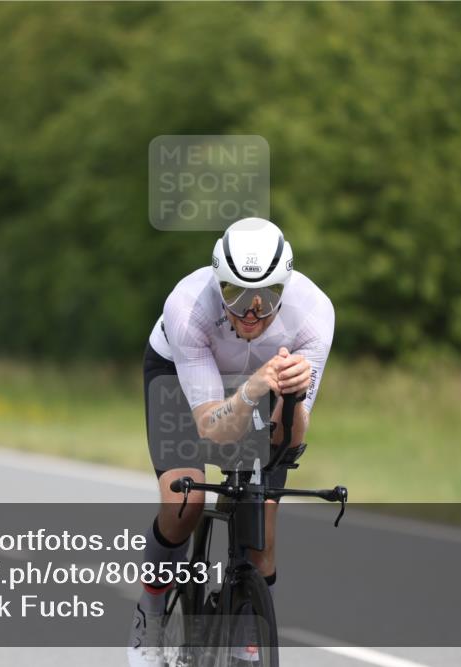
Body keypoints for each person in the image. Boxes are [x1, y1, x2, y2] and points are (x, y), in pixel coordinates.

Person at [128, 218, 334, 666]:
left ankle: (247, 642)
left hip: (265, 383)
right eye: (235, 293)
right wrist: (253, 388)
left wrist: (294, 398)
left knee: (262, 531)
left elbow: (289, 442)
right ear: (217, 280)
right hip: (179, 376)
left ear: (286, 286)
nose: (251, 311)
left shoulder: (314, 314)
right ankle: (151, 610)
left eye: (267, 296)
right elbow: (211, 428)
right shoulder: (188, 307)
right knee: (184, 503)